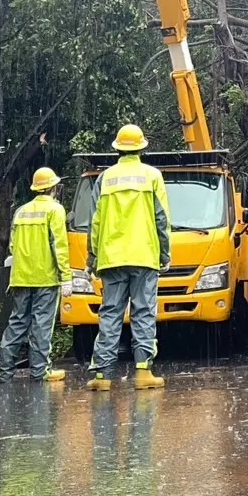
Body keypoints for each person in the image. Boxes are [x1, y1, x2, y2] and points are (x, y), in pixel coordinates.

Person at [86, 124, 170, 391]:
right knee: (143, 312)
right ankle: (143, 372)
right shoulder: (152, 176)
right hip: (144, 255)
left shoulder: (105, 179)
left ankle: (103, 376)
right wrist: (165, 253)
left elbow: (95, 223)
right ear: (142, 148)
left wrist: (93, 256)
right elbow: (162, 219)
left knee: (110, 313)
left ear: (117, 148)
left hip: (111, 257)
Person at [0, 167, 72, 383]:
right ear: (53, 188)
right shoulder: (55, 210)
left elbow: (12, 245)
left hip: (20, 277)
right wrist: (65, 276)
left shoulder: (21, 211)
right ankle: (40, 371)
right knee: (41, 325)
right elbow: (59, 245)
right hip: (45, 278)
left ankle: (4, 372)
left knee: (17, 323)